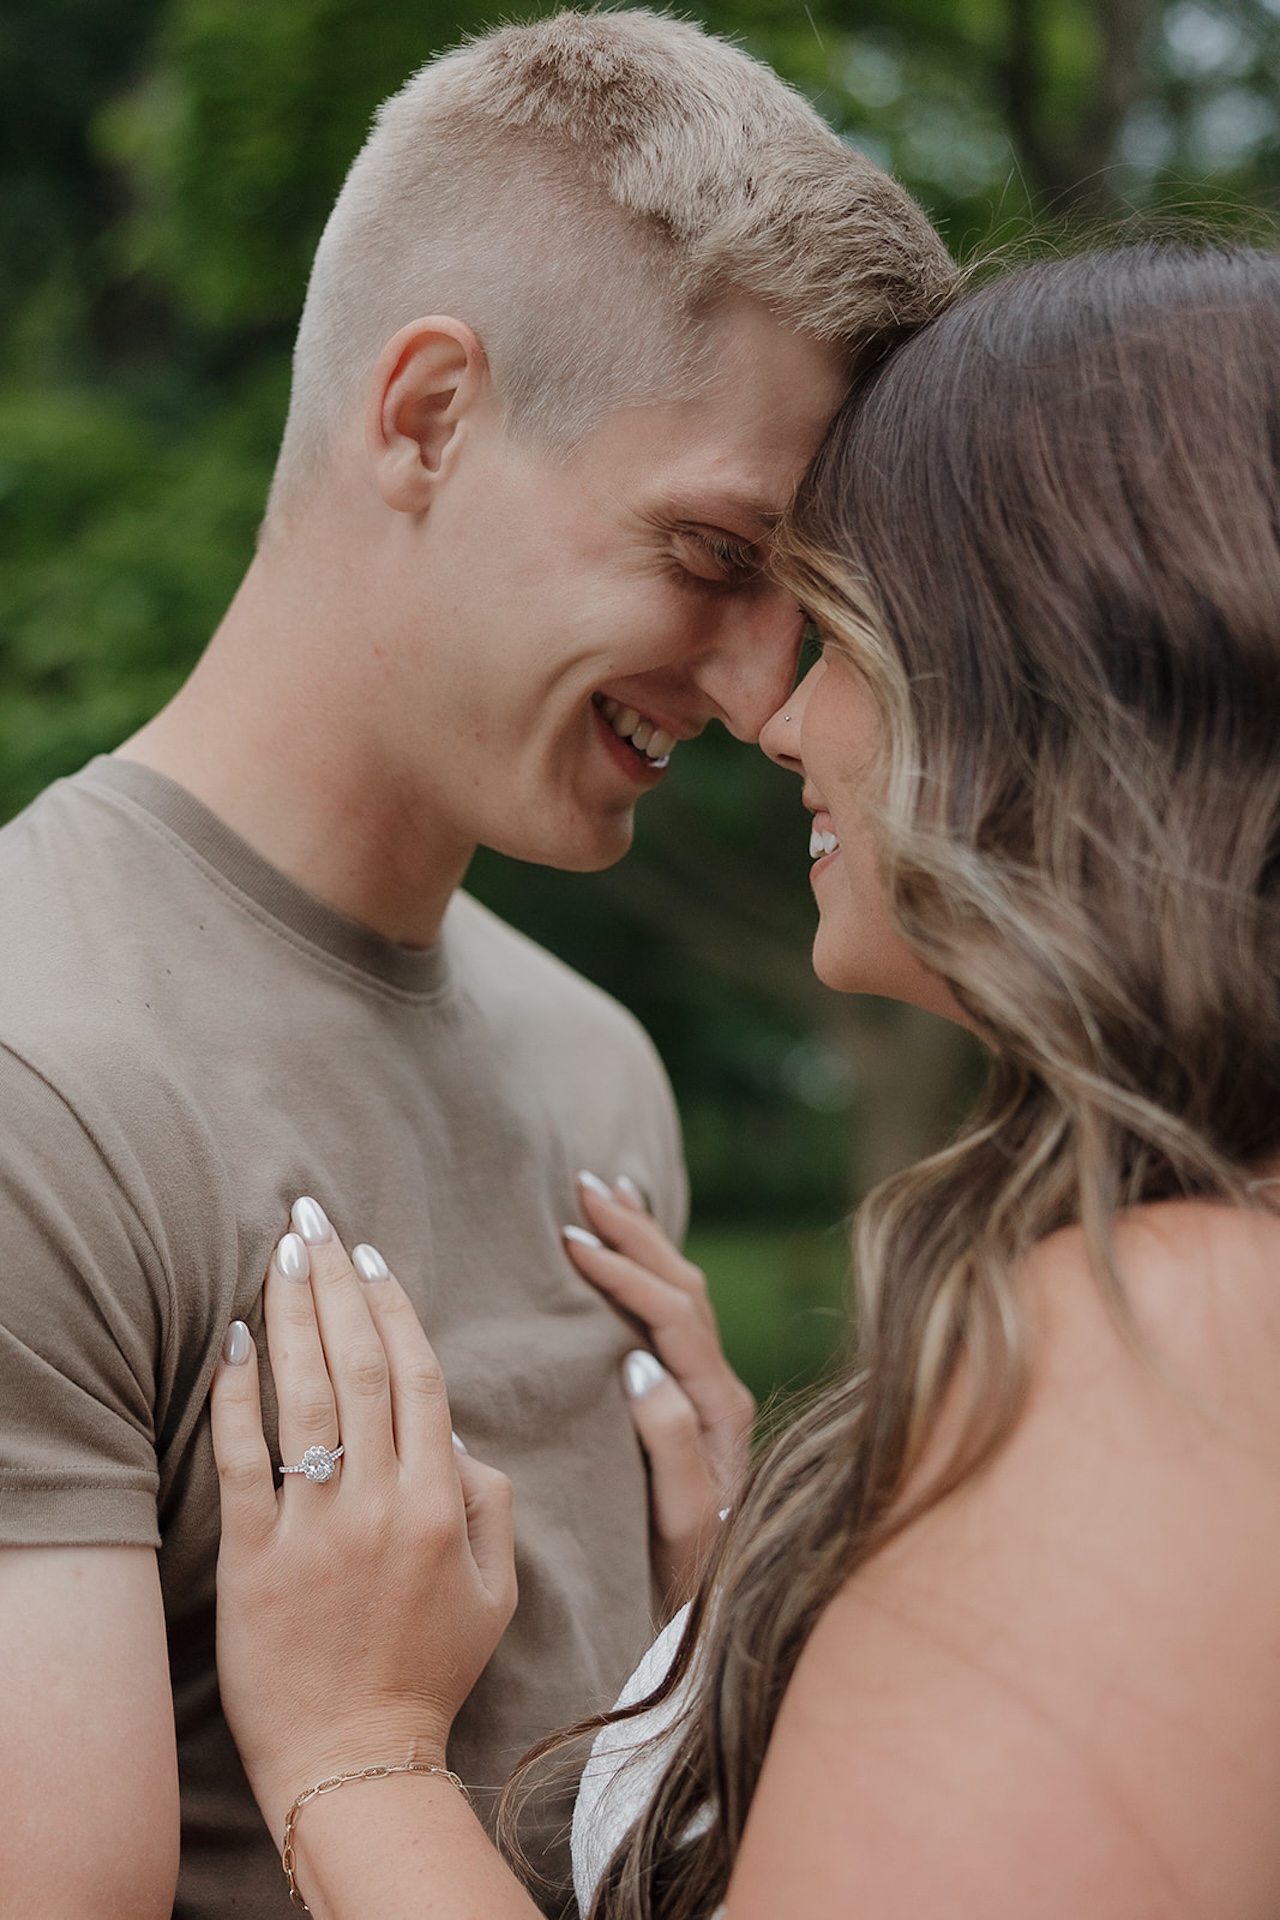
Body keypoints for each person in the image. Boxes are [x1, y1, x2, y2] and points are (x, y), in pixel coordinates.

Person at [0, 12, 954, 1917]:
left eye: (808, 603)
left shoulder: (599, 1072)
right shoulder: (38, 1078)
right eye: (714, 551)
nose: (771, 692)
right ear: (424, 412)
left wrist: (715, 1651)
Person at [210, 240, 1280, 1919]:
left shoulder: (1177, 1338)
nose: (785, 724)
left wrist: (357, 1754)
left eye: (851, 637)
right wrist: (769, 1612)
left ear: (1075, 692)